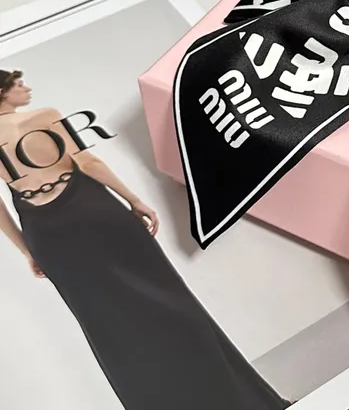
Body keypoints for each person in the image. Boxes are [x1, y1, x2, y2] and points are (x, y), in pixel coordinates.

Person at [0, 69, 289, 410]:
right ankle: (241, 401)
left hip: (45, 234)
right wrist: (134, 200)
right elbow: (89, 162)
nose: (27, 88)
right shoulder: (43, 116)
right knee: (170, 300)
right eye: (19, 84)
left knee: (107, 326)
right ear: (2, 92)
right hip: (94, 214)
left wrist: (27, 250)